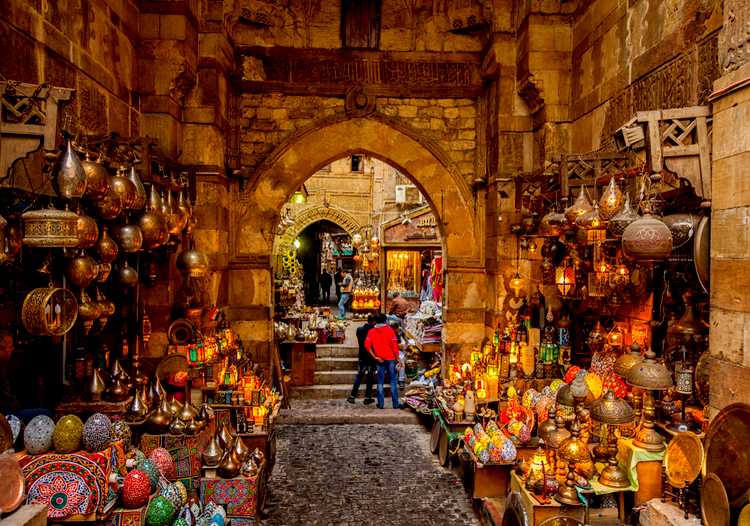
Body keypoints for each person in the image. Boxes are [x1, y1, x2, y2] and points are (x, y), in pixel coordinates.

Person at [364, 313, 403, 409]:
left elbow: (367, 345)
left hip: (380, 359)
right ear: (385, 320)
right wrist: (398, 359)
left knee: (380, 382)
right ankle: (395, 404)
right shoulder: (389, 330)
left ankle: (381, 404)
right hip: (391, 359)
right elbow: (394, 346)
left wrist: (375, 357)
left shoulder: (371, 331)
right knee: (393, 381)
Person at [346, 315, 376, 404]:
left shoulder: (359, 330)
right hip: (371, 357)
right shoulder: (374, 331)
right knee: (370, 377)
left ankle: (352, 396)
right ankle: (367, 397)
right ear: (374, 322)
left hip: (362, 356)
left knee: (359, 376)